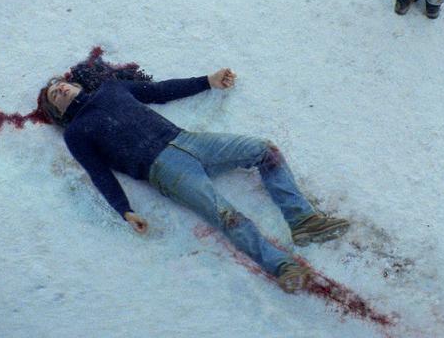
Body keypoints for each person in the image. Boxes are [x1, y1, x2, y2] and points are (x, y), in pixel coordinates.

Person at [38, 66, 350, 293]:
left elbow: (160, 92)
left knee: (263, 150)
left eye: (61, 84)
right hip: (163, 171)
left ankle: (304, 221)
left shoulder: (112, 89)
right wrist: (124, 210)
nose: (61, 88)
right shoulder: (77, 134)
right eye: (55, 94)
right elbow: (100, 175)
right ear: (59, 111)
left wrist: (207, 81)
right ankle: (283, 266)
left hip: (189, 141)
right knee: (226, 215)